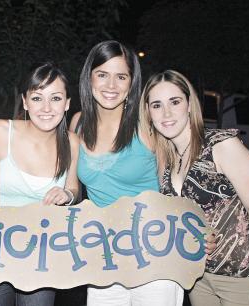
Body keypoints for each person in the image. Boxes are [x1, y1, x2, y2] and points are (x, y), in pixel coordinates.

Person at [139, 69, 249, 306]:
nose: (166, 113)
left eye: (175, 102)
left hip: (240, 276)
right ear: (148, 112)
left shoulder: (221, 145)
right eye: (156, 105)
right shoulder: (164, 160)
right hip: (197, 277)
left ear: (189, 105)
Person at [69, 40, 184, 306]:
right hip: (104, 256)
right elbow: (73, 188)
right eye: (102, 75)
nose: (111, 86)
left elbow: (179, 184)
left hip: (155, 252)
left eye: (121, 76)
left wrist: (198, 228)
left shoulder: (147, 125)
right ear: (89, 77)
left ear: (132, 82)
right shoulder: (78, 123)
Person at [0, 62, 80, 306]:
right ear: (24, 101)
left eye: (55, 98)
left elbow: (74, 188)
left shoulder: (72, 143)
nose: (46, 108)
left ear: (67, 104)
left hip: (42, 254)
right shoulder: (0, 132)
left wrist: (67, 194)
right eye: (37, 97)